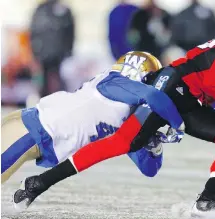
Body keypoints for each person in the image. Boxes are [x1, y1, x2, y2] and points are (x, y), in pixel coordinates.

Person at [14, 14, 215, 218]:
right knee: (125, 142)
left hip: (194, 100)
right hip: (175, 82)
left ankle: (207, 201)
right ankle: (41, 181)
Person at [2, 51, 185, 190]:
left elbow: (149, 169)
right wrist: (178, 124)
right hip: (33, 128)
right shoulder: (113, 81)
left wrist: (154, 144)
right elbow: (152, 94)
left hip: (40, 135)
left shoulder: (128, 114)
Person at [30, 0, 75, 97]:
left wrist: (68, 53)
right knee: (45, 83)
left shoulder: (64, 10)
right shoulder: (40, 10)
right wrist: (35, 54)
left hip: (59, 58)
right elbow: (33, 34)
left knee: (57, 82)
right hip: (44, 58)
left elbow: (70, 34)